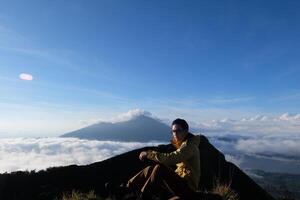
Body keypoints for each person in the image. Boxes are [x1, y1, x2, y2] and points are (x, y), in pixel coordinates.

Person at [126, 118, 201, 200]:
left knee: (160, 168)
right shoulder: (182, 145)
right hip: (180, 184)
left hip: (188, 189)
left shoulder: (189, 147)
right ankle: (128, 188)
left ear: (186, 131)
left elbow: (169, 159)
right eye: (173, 131)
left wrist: (148, 154)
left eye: (178, 131)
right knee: (151, 168)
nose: (175, 134)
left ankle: (143, 197)